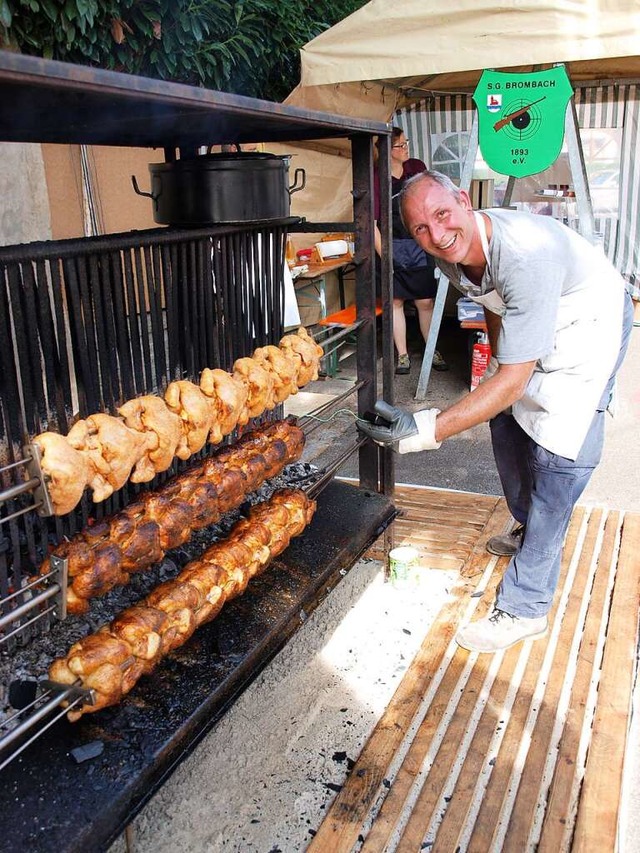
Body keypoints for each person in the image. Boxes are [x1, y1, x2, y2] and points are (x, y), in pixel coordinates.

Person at [359, 170, 633, 653]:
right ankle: (531, 530)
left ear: (465, 201)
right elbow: (490, 302)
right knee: (504, 419)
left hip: (588, 321)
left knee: (560, 451)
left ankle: (526, 607)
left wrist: (425, 428)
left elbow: (515, 380)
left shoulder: (525, 254)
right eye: (420, 228)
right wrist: (501, 360)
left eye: (442, 215)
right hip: (536, 318)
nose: (437, 235)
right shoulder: (450, 253)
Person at [374, 128, 447, 375]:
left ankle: (431, 350)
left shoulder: (416, 167)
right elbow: (372, 223)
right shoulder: (376, 178)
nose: (406, 148)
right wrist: (387, 257)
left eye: (406, 143)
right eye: (400, 145)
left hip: (419, 243)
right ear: (386, 151)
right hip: (391, 246)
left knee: (425, 301)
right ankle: (402, 355)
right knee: (395, 301)